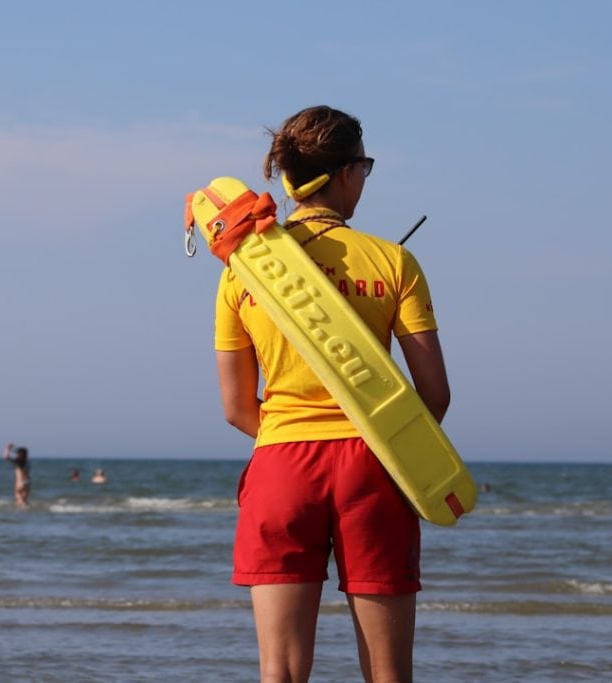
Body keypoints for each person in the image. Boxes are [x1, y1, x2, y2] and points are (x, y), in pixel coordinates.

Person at [213, 105, 450, 682]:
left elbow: (238, 408)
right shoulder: (394, 262)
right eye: (364, 167)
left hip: (281, 466)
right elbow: (435, 396)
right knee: (389, 672)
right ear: (345, 173)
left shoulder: (241, 269)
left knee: (283, 671)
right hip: (372, 462)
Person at [3, 443, 30, 507]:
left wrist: (8, 448)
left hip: (20, 482)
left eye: (17, 454)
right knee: (23, 500)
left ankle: (24, 508)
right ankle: (24, 513)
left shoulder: (18, 462)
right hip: (28, 482)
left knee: (18, 495)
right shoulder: (28, 462)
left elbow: (6, 457)